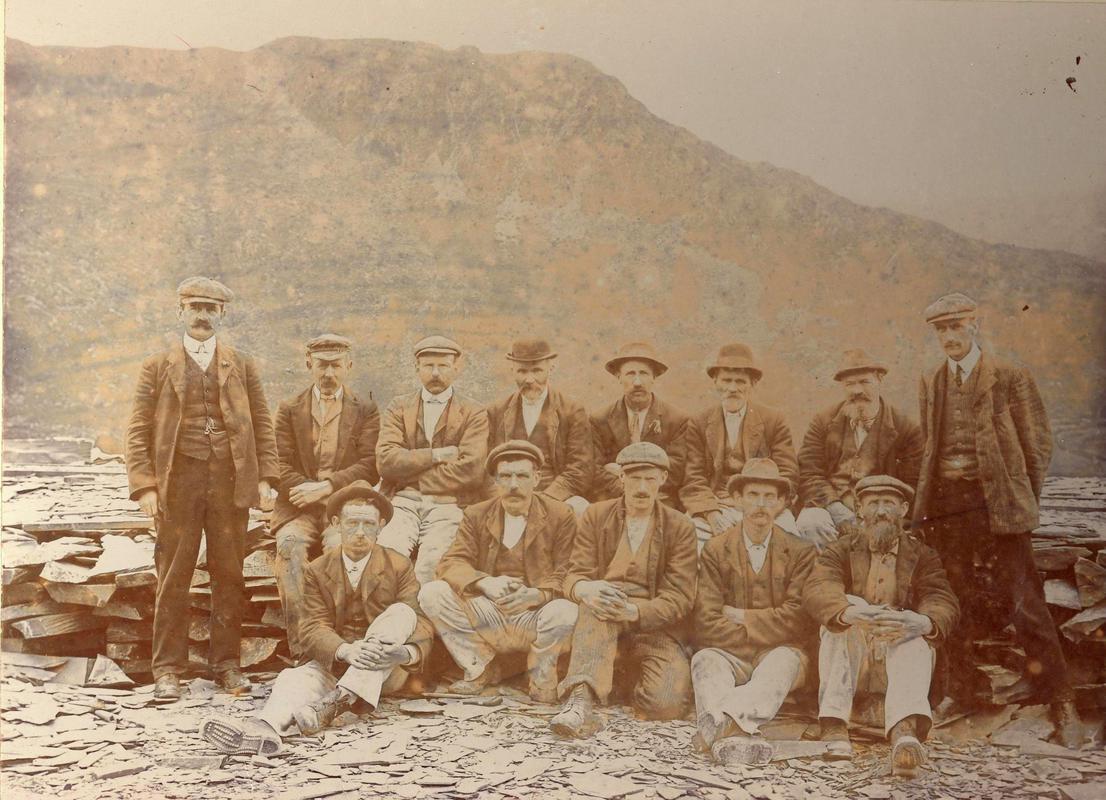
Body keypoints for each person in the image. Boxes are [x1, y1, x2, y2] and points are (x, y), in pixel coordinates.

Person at [912, 292, 1083, 747]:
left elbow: (1037, 446)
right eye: (941, 330)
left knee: (1026, 600)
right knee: (955, 600)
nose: (949, 337)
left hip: (999, 506)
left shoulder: (1008, 376)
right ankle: (963, 692)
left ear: (974, 326)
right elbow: (931, 445)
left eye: (957, 327)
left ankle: (1059, 699)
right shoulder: (932, 381)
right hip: (948, 508)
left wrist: (1017, 499)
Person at [125, 276, 278, 701]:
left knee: (230, 574)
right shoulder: (157, 366)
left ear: (223, 314)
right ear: (180, 311)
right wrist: (145, 488)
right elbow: (137, 429)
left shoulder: (242, 365)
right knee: (174, 574)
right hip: (178, 482)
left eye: (211, 309)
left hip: (230, 481)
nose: (202, 316)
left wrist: (267, 477)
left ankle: (227, 665)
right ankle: (167, 670)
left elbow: (262, 423)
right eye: (195, 307)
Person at [199, 482, 432, 754]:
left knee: (401, 613)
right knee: (292, 679)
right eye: (352, 523)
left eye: (368, 524)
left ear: (381, 526)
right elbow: (311, 627)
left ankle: (337, 701)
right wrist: (345, 650)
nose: (360, 532)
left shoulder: (398, 565)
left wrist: (404, 654)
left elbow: (420, 620)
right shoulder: (318, 570)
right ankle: (264, 730)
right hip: (337, 662)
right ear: (336, 523)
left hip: (385, 670)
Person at [803, 475, 959, 778]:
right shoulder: (841, 550)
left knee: (915, 633)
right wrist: (848, 612)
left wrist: (921, 621)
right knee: (841, 615)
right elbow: (819, 587)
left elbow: (941, 598)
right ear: (859, 509)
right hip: (855, 658)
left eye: (889, 503)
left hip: (897, 660)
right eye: (873, 503)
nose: (881, 511)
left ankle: (904, 733)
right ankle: (834, 725)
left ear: (903, 509)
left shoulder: (923, 556)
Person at [549, 442, 697, 738]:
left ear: (663, 480)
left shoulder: (680, 526)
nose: (642, 487)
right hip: (602, 617)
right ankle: (580, 701)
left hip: (653, 626)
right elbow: (574, 573)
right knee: (594, 607)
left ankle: (617, 680)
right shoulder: (596, 515)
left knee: (663, 706)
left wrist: (635, 611)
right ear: (621, 478)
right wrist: (585, 588)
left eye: (650, 478)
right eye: (634, 477)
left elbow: (681, 597)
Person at [419, 440, 579, 703]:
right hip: (489, 612)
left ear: (536, 478)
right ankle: (480, 667)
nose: (514, 484)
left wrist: (538, 595)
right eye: (505, 476)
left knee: (567, 611)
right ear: (495, 481)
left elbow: (569, 568)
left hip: (535, 614)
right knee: (432, 593)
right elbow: (452, 561)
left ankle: (541, 675)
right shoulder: (477, 514)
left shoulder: (561, 515)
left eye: (522, 476)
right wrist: (484, 583)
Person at [691, 459, 817, 765]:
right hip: (731, 654)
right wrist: (764, 626)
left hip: (780, 653)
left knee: (784, 661)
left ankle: (719, 723)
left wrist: (743, 617)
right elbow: (706, 621)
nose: (760, 505)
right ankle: (733, 736)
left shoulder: (801, 551)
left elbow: (799, 620)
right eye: (752, 495)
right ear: (736, 500)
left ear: (783, 503)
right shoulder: (716, 549)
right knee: (705, 659)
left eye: (769, 497)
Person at [271, 334, 381, 660]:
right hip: (297, 507)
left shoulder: (366, 410)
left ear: (349, 366)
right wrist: (305, 490)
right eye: (321, 365)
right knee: (290, 549)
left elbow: (370, 465)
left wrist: (327, 488)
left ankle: (343, 648)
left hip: (343, 506)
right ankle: (303, 651)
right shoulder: (289, 409)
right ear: (309, 365)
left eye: (336, 365)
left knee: (343, 551)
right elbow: (278, 463)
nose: (329, 373)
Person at [376, 335, 489, 584]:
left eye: (443, 366)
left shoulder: (474, 412)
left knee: (432, 566)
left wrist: (414, 480)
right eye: (428, 366)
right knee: (386, 559)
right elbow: (386, 462)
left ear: (456, 368)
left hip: (448, 505)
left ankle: (422, 621)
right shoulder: (399, 407)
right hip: (402, 504)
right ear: (417, 368)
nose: (435, 373)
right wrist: (437, 455)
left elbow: (471, 470)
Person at [796, 348, 922, 547]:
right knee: (810, 523)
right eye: (850, 384)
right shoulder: (823, 422)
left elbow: (911, 484)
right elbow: (809, 473)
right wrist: (836, 507)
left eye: (864, 382)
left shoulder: (905, 428)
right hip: (831, 504)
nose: (857, 391)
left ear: (880, 379)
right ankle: (823, 578)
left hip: (880, 507)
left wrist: (874, 508)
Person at [681, 343, 799, 551]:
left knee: (789, 541)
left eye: (740, 381)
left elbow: (788, 474)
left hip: (764, 504)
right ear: (715, 382)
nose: (733, 388)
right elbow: (693, 476)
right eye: (726, 381)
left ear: (752, 384)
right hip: (717, 505)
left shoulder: (774, 420)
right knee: (688, 537)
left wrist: (760, 508)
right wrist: (711, 513)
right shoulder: (699, 422)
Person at [486, 339, 592, 515]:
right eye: (522, 371)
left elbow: (580, 469)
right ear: (512, 370)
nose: (529, 379)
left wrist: (545, 499)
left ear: (550, 368)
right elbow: (486, 467)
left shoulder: (572, 411)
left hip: (556, 496)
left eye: (537, 371)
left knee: (581, 508)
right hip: (509, 494)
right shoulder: (496, 411)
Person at [590, 342, 689, 507]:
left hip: (660, 499)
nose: (637, 382)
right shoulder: (599, 419)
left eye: (643, 373)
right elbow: (594, 469)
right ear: (618, 377)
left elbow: (676, 469)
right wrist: (627, 490)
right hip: (612, 498)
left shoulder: (676, 420)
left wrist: (625, 474)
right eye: (630, 374)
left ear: (654, 377)